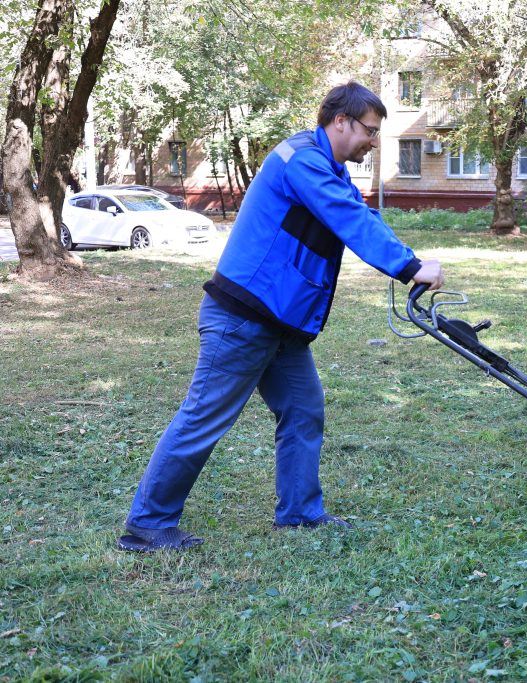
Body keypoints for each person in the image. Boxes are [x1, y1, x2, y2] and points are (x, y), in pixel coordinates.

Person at [118, 81, 444, 552]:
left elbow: (356, 213)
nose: (372, 141)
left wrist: (405, 260)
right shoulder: (302, 160)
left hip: (280, 325)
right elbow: (348, 219)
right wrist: (411, 267)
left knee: (303, 410)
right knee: (203, 418)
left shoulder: (325, 166)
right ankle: (148, 523)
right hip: (243, 318)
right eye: (369, 131)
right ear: (340, 121)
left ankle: (300, 513)